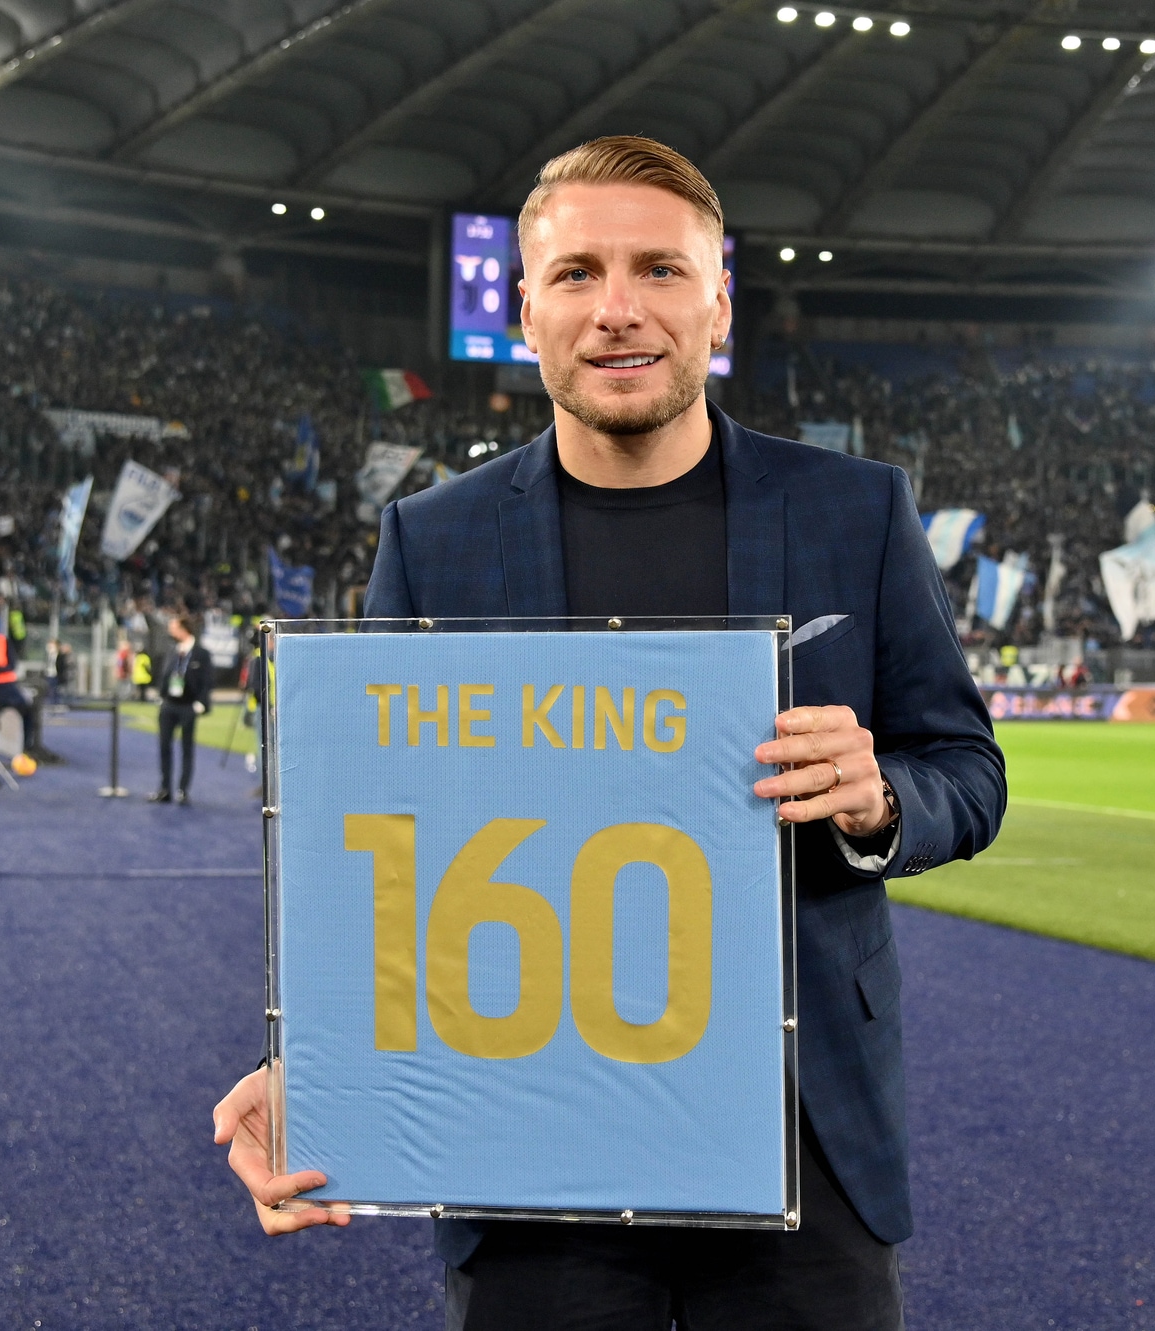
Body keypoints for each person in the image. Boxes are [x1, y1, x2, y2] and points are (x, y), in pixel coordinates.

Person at [210, 137, 1005, 1330]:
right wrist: (318, 1066)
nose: (616, 308)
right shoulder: (433, 539)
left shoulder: (856, 509)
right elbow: (375, 841)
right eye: (576, 272)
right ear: (523, 308)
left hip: (800, 1135)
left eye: (659, 270)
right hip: (528, 1136)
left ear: (717, 303)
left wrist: (878, 797)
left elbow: (967, 773)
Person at [149, 614, 215, 806]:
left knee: (187, 748)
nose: (170, 630)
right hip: (169, 704)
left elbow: (207, 680)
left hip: (188, 705)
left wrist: (200, 703)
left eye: (173, 627)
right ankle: (165, 789)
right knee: (164, 747)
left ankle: (183, 790)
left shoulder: (201, 653)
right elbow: (166, 675)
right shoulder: (173, 650)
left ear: (183, 629)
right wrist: (161, 696)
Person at [0, 622, 40, 757]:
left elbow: (11, 664)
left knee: (27, 711)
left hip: (7, 686)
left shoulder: (2, 642)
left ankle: (27, 748)